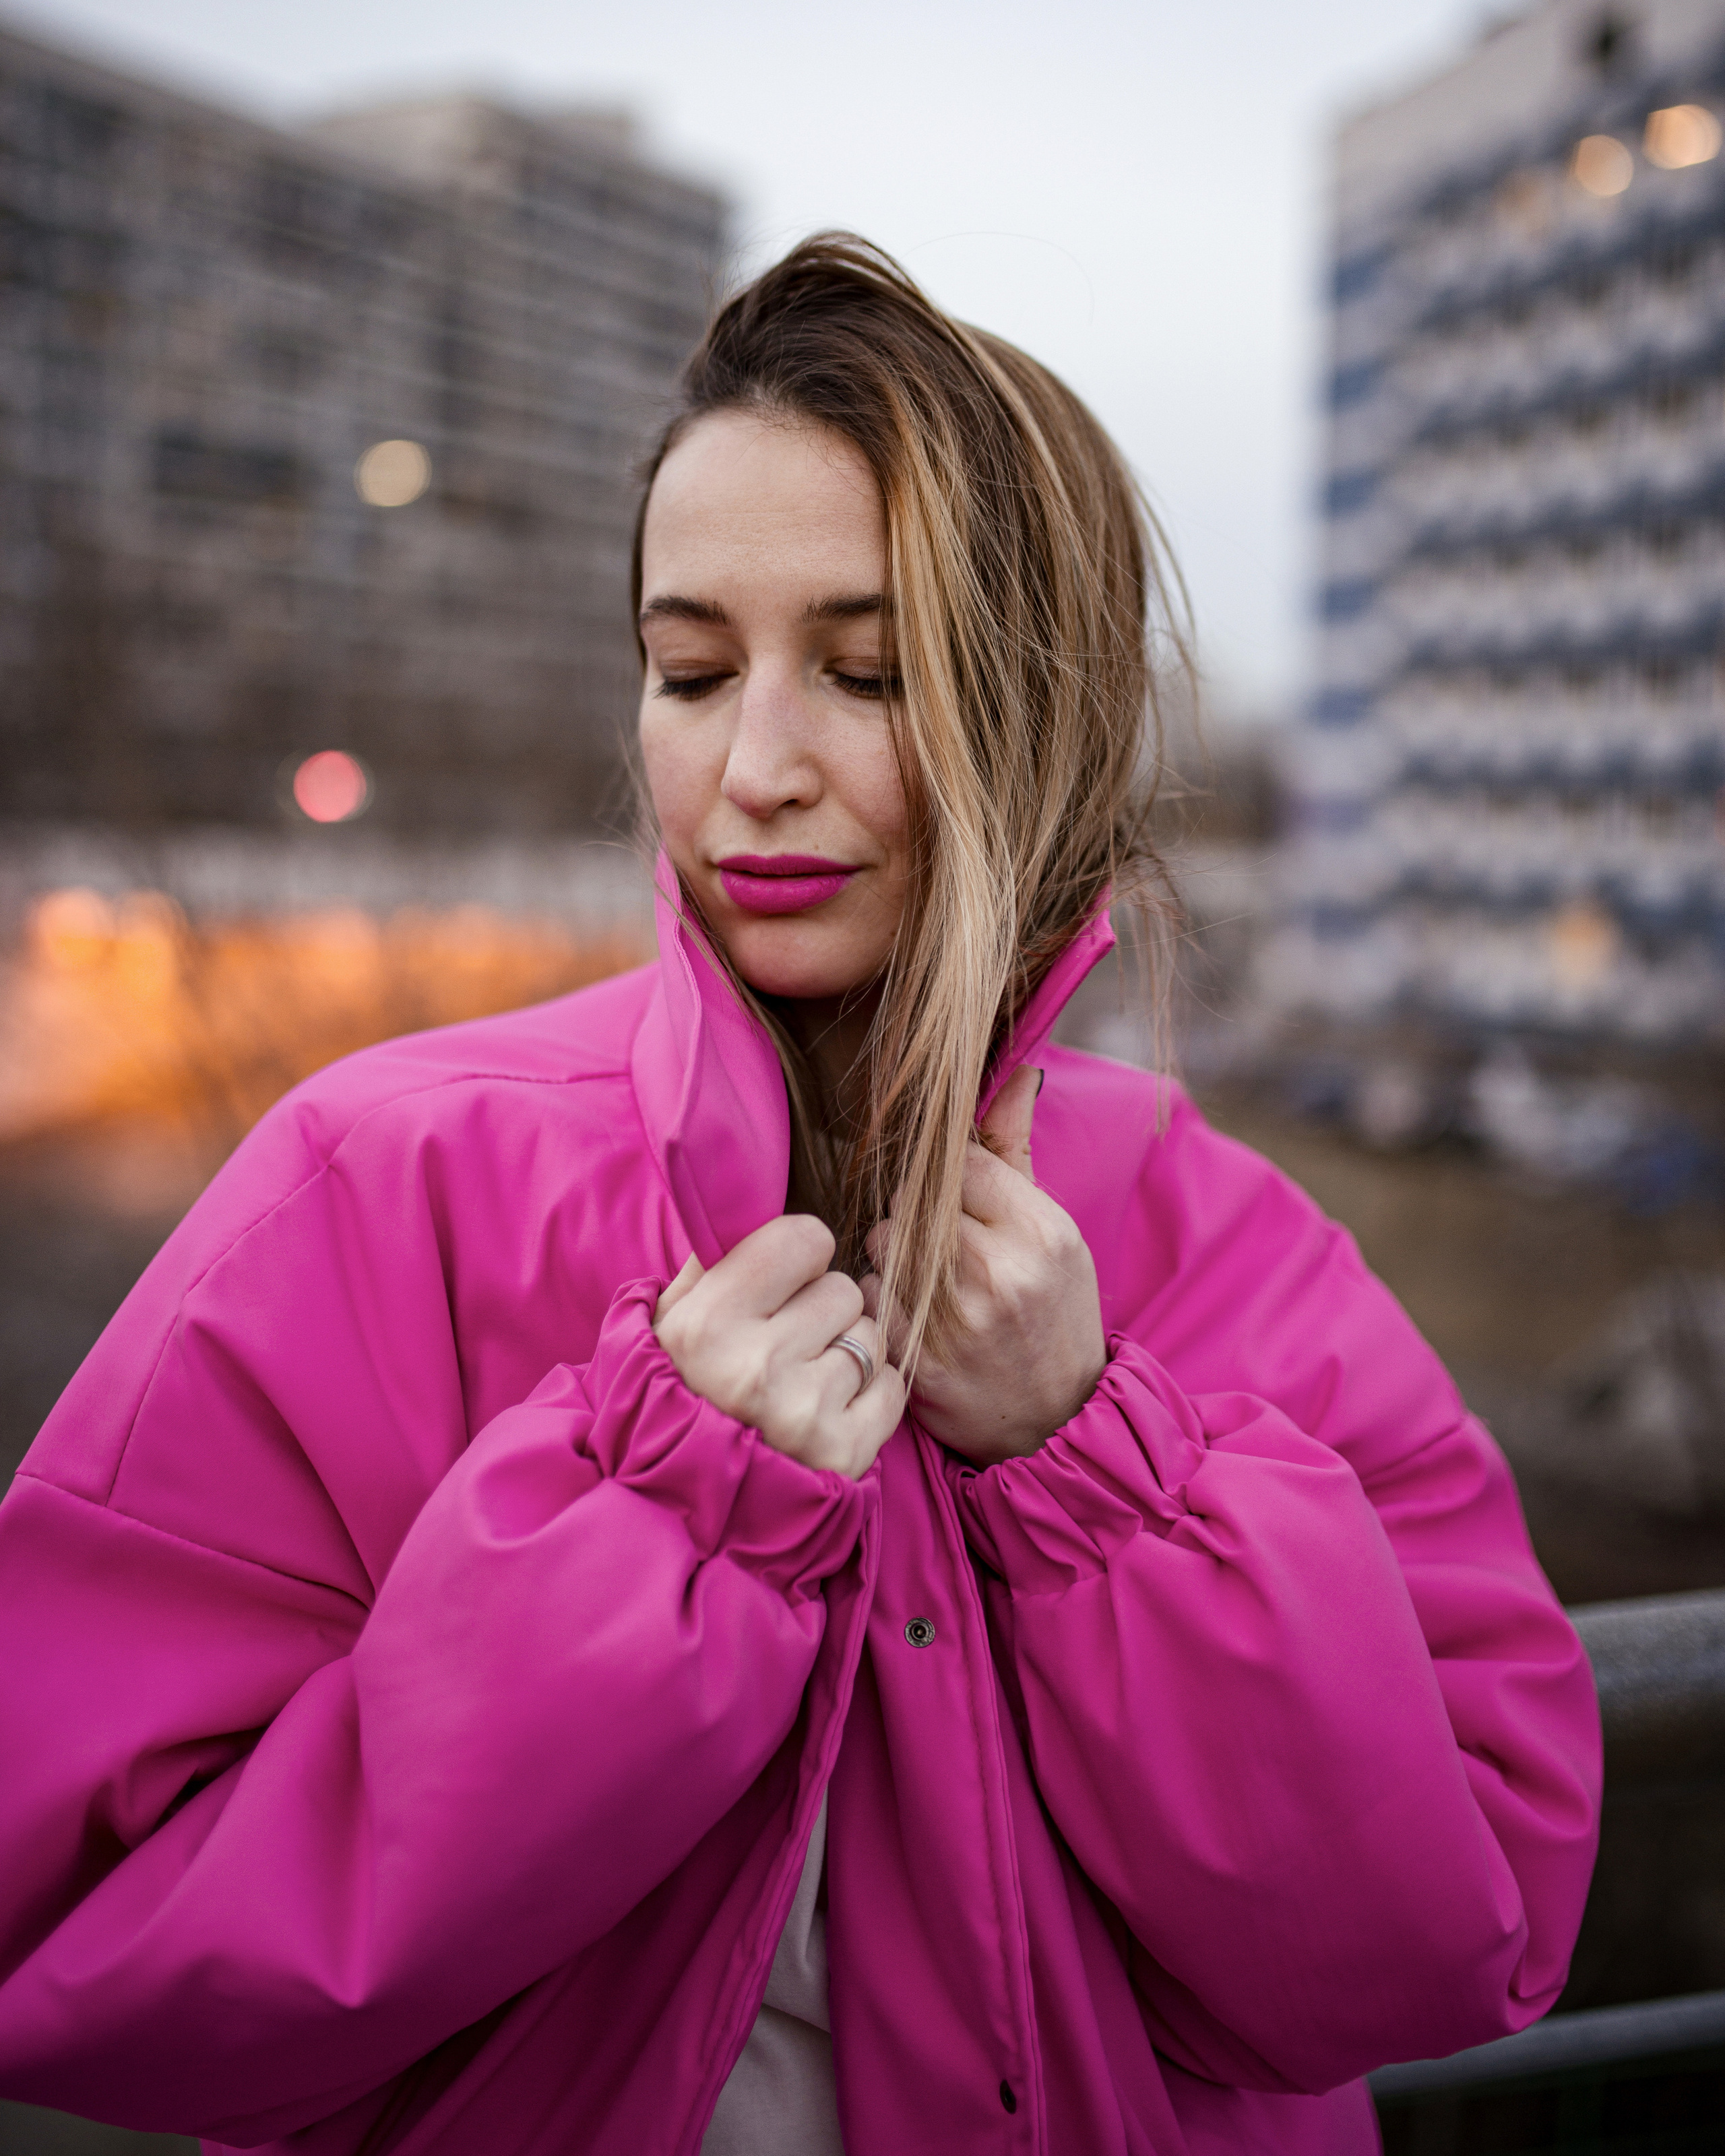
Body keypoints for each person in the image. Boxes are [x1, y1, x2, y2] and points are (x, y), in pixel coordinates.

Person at [0, 236, 1598, 2156]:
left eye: (869, 671)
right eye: (690, 671)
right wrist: (653, 1531)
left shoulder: (1228, 1238)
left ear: (1040, 709)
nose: (754, 767)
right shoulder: (388, 1185)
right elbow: (77, 1924)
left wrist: (1100, 1477)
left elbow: (1452, 1940)